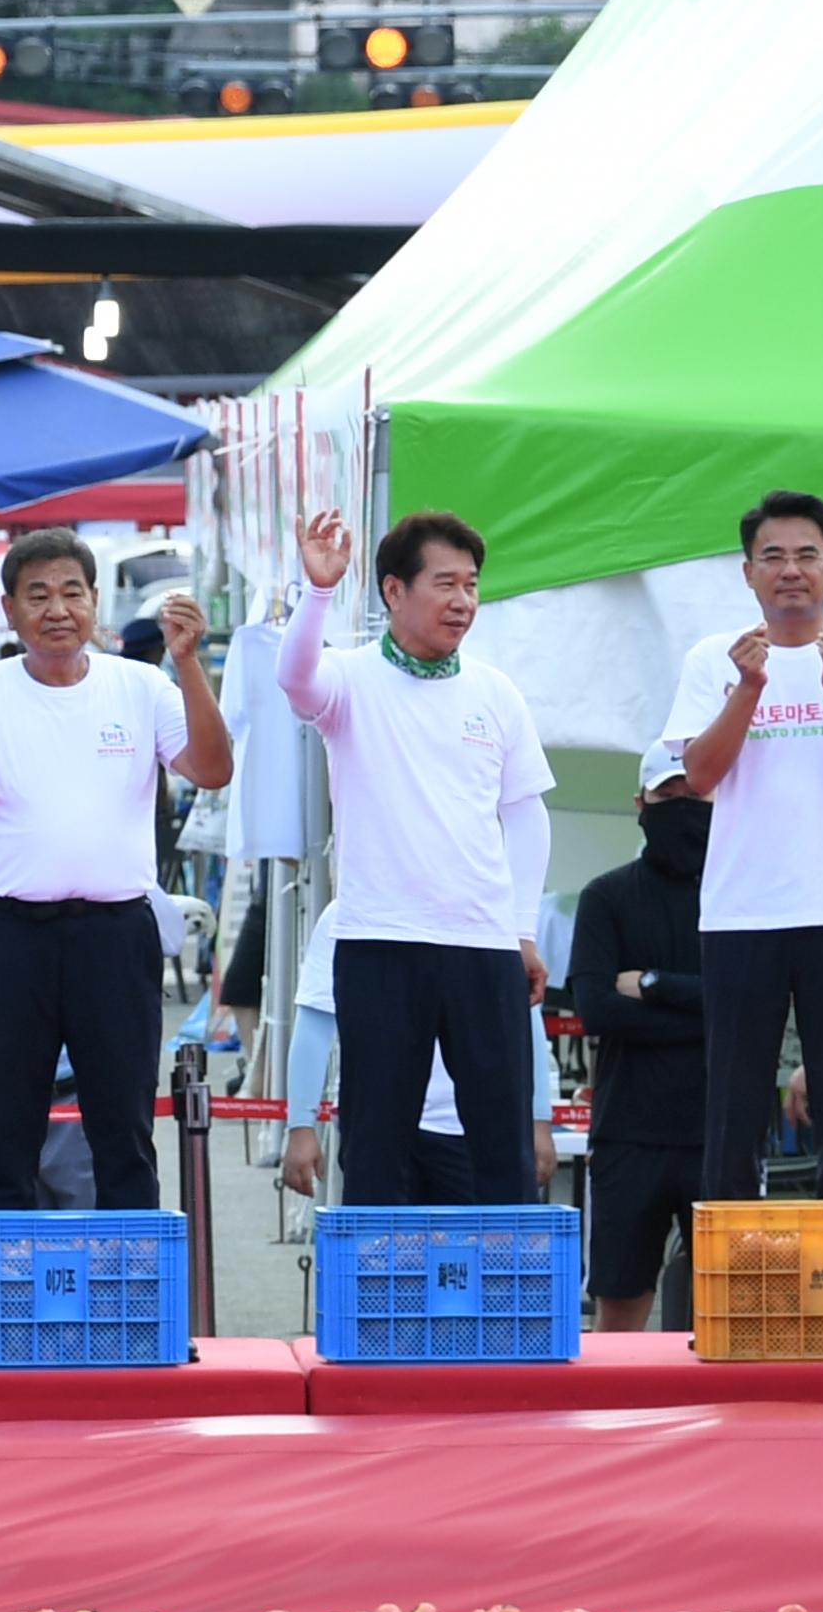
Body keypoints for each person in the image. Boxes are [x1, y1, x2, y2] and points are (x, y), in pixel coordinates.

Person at [0, 529, 233, 1212]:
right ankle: (6, 1302)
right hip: (10, 936)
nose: (57, 609)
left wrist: (189, 664)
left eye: (71, 593)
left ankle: (134, 1303)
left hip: (115, 934)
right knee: (7, 1133)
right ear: (8, 609)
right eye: (38, 596)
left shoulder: (141, 686)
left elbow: (212, 768)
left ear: (93, 602)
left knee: (124, 1133)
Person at [277, 508, 555, 1205]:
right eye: (445, 583)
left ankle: (508, 1306)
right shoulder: (349, 679)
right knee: (375, 1144)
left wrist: (520, 926)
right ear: (394, 591)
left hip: (482, 942)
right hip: (381, 939)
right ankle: (376, 1308)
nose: (463, 600)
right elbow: (294, 681)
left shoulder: (495, 692)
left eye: (471, 584)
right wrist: (317, 593)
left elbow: (526, 814)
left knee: (501, 1143)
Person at [658, 491, 823, 1204]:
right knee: (735, 1109)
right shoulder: (715, 656)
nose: (791, 570)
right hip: (743, 911)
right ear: (747, 572)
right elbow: (701, 775)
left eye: (807, 555)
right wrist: (748, 686)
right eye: (772, 556)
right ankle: (734, 1290)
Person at [279, 899, 561, 1200]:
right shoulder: (349, 910)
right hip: (379, 1129)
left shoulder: (487, 905)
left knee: (480, 1242)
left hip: (468, 1133)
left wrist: (539, 1122)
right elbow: (314, 1020)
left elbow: (522, 1017)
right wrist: (300, 1125)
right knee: (379, 1240)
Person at [566, 745, 710, 1332]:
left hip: (720, 1131)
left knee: (729, 1307)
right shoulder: (607, 896)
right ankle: (611, 1418)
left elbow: (756, 1006)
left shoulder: (742, 894)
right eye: (666, 796)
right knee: (620, 1301)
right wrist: (705, 1007)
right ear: (640, 804)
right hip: (629, 1131)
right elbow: (596, 1008)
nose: (681, 808)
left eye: (693, 796)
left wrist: (652, 984)